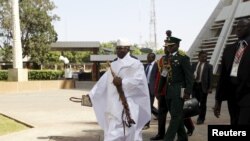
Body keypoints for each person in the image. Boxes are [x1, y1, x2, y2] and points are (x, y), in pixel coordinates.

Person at [84, 39, 151, 141]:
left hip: (130, 106)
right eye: (117, 48)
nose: (119, 51)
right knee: (112, 135)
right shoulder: (113, 65)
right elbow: (103, 82)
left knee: (132, 135)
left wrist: (123, 82)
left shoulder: (136, 64)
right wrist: (91, 95)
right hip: (114, 107)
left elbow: (139, 81)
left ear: (128, 49)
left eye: (122, 48)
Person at [213, 18, 250, 125]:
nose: (238, 29)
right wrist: (218, 101)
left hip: (247, 95)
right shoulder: (229, 49)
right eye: (237, 27)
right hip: (232, 96)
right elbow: (223, 76)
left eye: (242, 27)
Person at [158, 36, 193, 141]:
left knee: (175, 117)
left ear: (177, 45)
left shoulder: (183, 58)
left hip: (179, 90)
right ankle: (183, 138)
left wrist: (188, 91)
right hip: (168, 91)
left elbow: (189, 76)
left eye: (171, 46)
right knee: (176, 116)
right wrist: (159, 90)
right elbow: (164, 75)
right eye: (167, 46)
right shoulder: (166, 58)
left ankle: (168, 138)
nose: (168, 48)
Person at [192, 50, 213, 125]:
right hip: (194, 86)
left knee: (203, 104)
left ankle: (201, 118)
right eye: (203, 56)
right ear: (199, 57)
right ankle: (198, 113)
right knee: (195, 103)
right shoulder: (194, 65)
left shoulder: (209, 66)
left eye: (206, 56)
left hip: (203, 87)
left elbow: (210, 78)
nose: (205, 58)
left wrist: (210, 88)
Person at [143, 52, 159, 130]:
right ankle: (159, 114)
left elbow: (158, 78)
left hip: (152, 89)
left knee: (148, 106)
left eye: (149, 57)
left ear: (153, 58)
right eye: (147, 57)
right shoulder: (145, 66)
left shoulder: (157, 66)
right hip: (145, 88)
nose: (147, 59)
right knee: (147, 105)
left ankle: (147, 124)